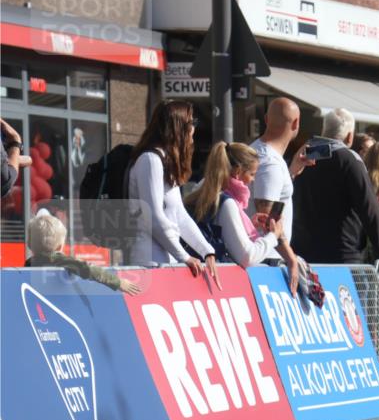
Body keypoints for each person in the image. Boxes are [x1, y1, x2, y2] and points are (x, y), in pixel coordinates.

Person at [126, 100, 220, 286]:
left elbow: (179, 215)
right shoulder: (150, 160)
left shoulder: (165, 161)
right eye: (191, 123)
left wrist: (207, 251)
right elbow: (153, 217)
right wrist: (185, 256)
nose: (194, 128)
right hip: (149, 263)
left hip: (166, 261)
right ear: (178, 127)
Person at [292, 108, 379, 273]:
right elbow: (369, 208)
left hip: (304, 253)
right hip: (342, 254)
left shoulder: (303, 157)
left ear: (324, 129)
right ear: (349, 136)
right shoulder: (349, 160)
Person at [184, 142, 297, 289]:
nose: (253, 180)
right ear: (238, 172)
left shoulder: (203, 190)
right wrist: (273, 236)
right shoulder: (227, 203)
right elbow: (247, 257)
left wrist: (247, 224)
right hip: (216, 284)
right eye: (252, 174)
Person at [250, 97, 314, 246]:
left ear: (266, 119)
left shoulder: (256, 150)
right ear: (296, 123)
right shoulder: (270, 162)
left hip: (261, 252)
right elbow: (268, 223)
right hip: (267, 255)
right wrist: (291, 257)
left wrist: (291, 172)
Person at [26, 210, 140, 295]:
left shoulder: (29, 264)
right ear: (60, 246)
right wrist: (118, 282)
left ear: (29, 245)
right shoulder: (58, 260)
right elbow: (88, 269)